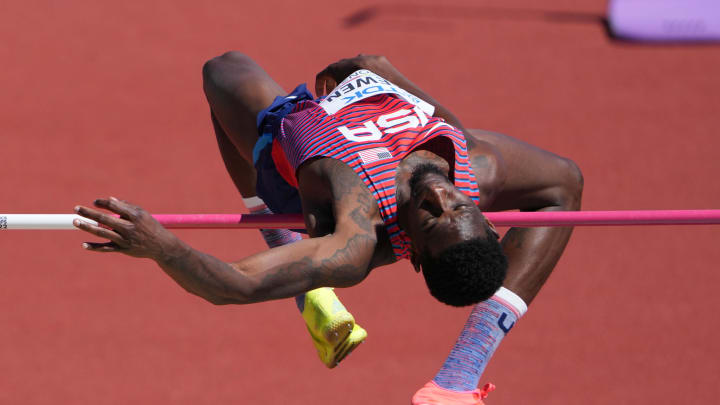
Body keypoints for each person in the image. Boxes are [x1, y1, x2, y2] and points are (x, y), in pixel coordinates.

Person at [73, 53, 583, 404]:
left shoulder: (358, 230)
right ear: (488, 220)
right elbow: (564, 185)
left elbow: (236, 286)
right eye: (458, 208)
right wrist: (379, 70)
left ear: (418, 254)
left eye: (431, 217)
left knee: (221, 70)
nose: (438, 196)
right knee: (564, 181)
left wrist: (161, 246)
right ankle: (445, 371)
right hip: (355, 105)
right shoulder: (479, 169)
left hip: (293, 144)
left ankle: (459, 371)